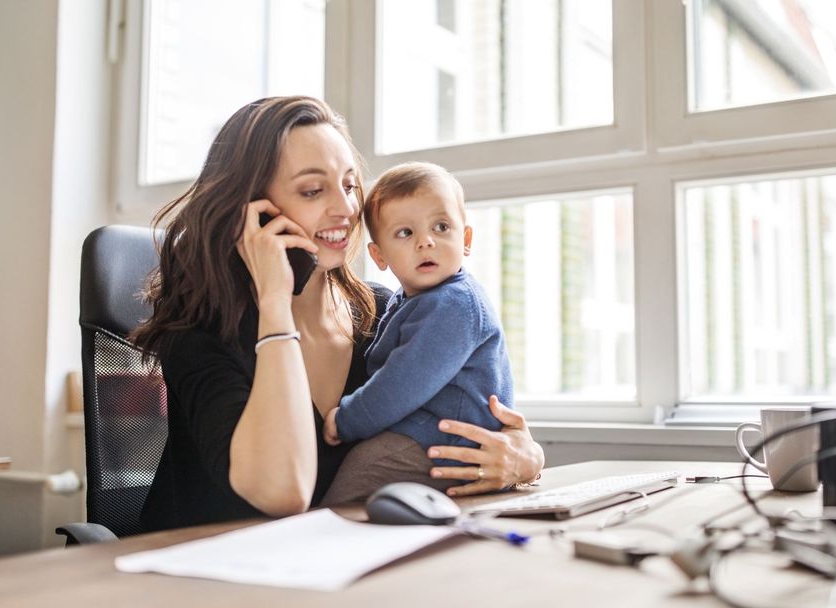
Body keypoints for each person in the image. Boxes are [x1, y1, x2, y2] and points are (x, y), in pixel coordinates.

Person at [131, 96, 544, 532]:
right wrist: (275, 301)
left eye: (349, 185)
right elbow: (283, 493)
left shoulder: (383, 313)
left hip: (340, 571)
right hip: (207, 578)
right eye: (313, 190)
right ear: (252, 212)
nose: (347, 210)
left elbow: (483, 420)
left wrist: (524, 458)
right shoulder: (199, 331)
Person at [320, 162, 513, 504]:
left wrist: (347, 420)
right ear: (379, 255)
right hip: (431, 436)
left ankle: (319, 539)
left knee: (355, 480)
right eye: (405, 233)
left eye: (441, 227)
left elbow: (402, 383)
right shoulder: (409, 300)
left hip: (447, 442)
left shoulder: (454, 304)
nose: (426, 242)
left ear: (465, 239)